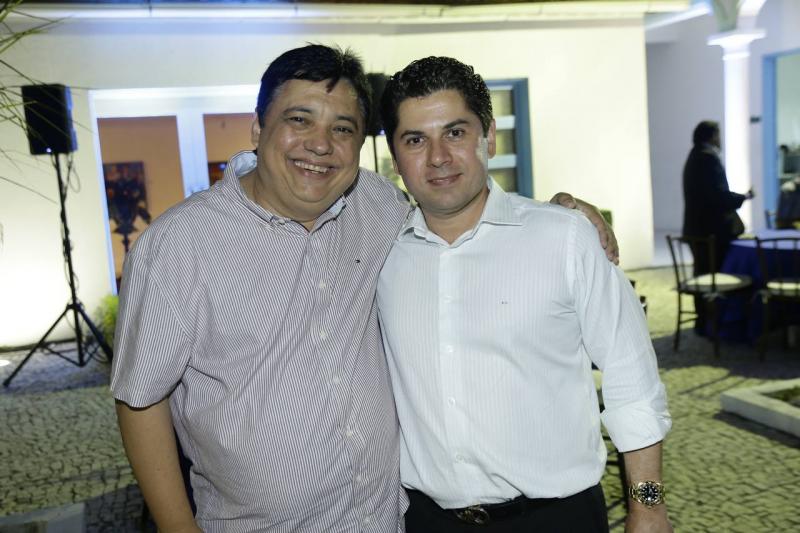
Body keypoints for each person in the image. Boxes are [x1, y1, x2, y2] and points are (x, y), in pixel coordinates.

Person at [110, 44, 617, 532]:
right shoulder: (178, 245)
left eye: (342, 128)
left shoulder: (379, 207)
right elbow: (140, 398)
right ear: (258, 127)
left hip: (387, 520)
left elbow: (459, 209)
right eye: (299, 119)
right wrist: (176, 524)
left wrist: (555, 214)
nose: (320, 144)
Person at [377, 56, 672, 533]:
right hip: (427, 521)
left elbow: (633, 380)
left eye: (455, 132)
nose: (438, 157)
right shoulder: (378, 253)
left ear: (489, 137)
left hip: (556, 519)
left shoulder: (566, 238)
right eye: (415, 140)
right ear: (395, 155)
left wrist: (649, 506)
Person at [682, 120, 754, 334]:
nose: (720, 139)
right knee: (713, 276)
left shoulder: (694, 156)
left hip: (696, 229)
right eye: (718, 134)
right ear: (712, 136)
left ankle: (703, 322)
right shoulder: (708, 158)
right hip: (711, 232)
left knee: (702, 274)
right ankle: (714, 323)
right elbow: (717, 196)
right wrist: (743, 197)